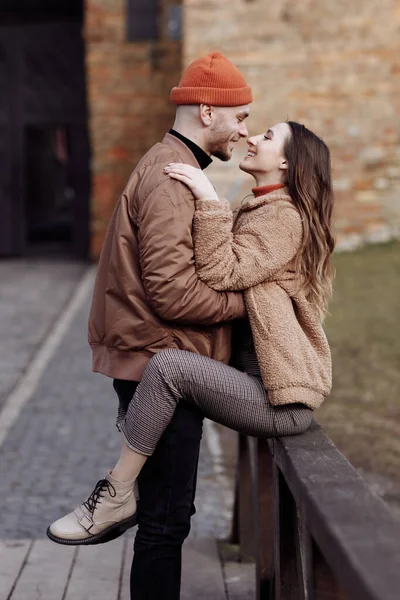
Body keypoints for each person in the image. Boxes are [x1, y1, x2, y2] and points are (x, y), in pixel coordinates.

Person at [49, 118, 334, 552]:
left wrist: (206, 198)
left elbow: (221, 270)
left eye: (268, 136)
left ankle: (117, 494)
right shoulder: (262, 206)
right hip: (262, 390)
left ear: (288, 163)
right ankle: (130, 489)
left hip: (280, 401)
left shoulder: (284, 216)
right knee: (166, 375)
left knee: (167, 367)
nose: (253, 137)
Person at [47, 52, 252, 599]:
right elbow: (172, 291)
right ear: (209, 112)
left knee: (167, 515)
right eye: (241, 116)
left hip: (159, 361)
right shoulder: (169, 180)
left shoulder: (174, 168)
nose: (246, 129)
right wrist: (251, 302)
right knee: (164, 523)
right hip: (158, 365)